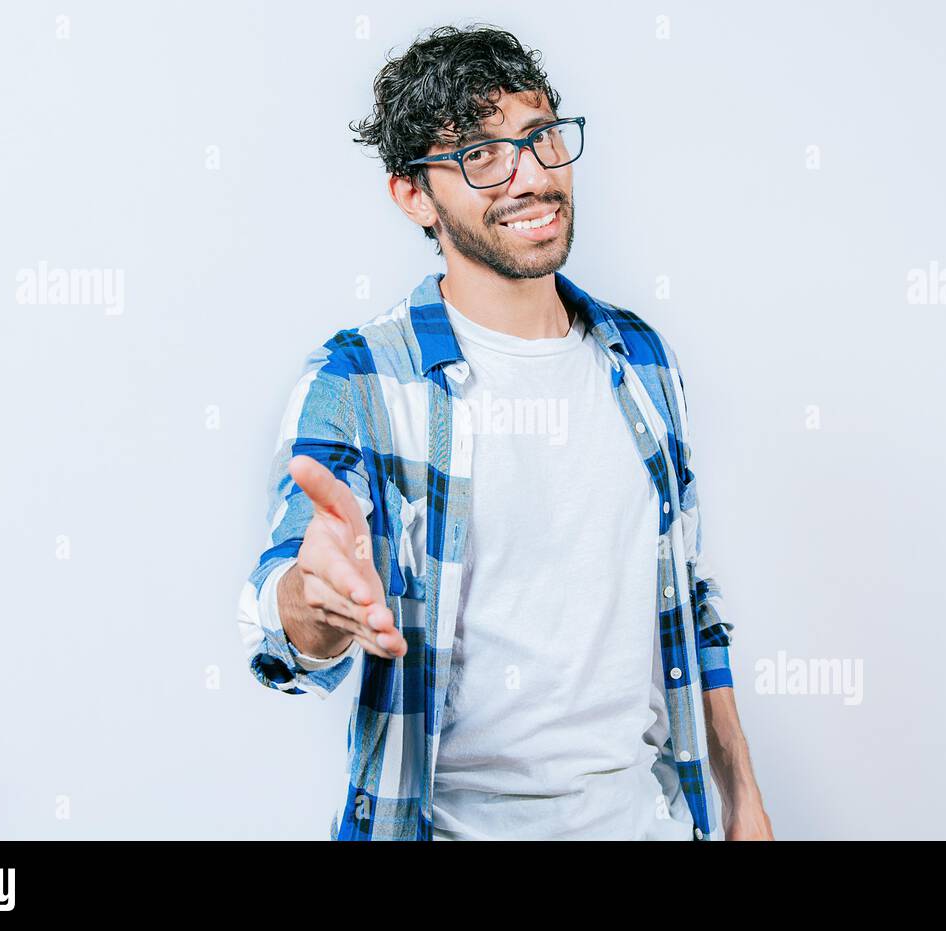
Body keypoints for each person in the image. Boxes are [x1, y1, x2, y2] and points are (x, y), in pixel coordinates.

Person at [236, 23, 773, 841]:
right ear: (414, 194)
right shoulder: (362, 380)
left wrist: (743, 803)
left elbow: (691, 603)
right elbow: (283, 623)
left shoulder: (643, 362)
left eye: (541, 136)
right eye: (481, 155)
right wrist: (317, 601)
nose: (531, 174)